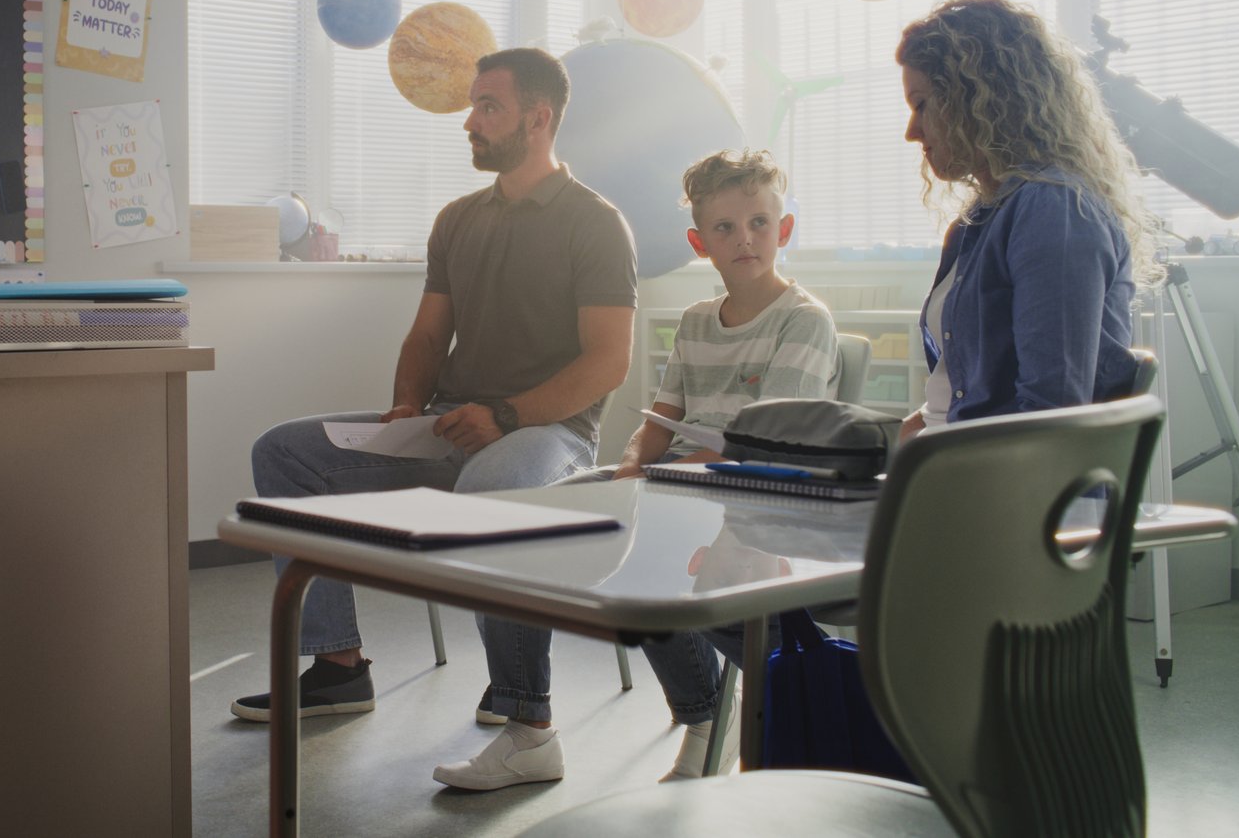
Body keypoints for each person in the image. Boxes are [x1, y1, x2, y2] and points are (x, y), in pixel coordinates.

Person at [228, 48, 639, 790]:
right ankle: (339, 666)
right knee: (284, 453)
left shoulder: (596, 224)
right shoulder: (458, 220)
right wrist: (407, 409)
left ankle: (527, 723)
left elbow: (606, 363)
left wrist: (508, 414)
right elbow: (426, 336)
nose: (469, 122)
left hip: (548, 435)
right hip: (452, 423)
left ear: (538, 119)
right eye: (473, 105)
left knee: (497, 485)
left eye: (489, 107)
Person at [486, 148, 837, 787]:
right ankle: (525, 727)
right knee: (518, 527)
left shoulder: (805, 321)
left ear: (783, 231)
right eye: (725, 228)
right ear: (699, 242)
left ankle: (707, 714)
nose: (745, 239)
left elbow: (759, 446)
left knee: (642, 546)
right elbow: (658, 420)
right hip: (672, 482)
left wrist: (653, 487)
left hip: (752, 490)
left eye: (759, 222)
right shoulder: (699, 320)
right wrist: (628, 472)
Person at [895, 0, 1158, 441]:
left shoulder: (1055, 212)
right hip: (951, 467)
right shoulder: (977, 223)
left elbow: (1050, 416)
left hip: (1007, 491)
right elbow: (971, 387)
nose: (911, 131)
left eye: (922, 104)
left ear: (977, 99)